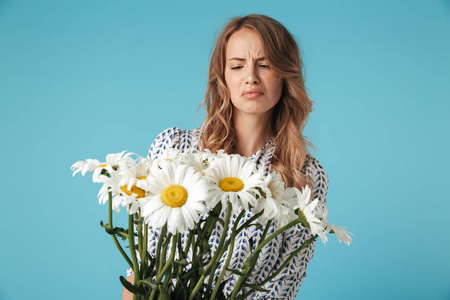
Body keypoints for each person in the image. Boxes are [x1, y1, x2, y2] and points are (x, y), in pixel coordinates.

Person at [123, 14, 329, 300]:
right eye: (237, 65)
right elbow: (141, 272)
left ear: (285, 74)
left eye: (265, 64)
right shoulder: (175, 148)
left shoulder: (304, 175)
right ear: (223, 77)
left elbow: (284, 285)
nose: (250, 77)